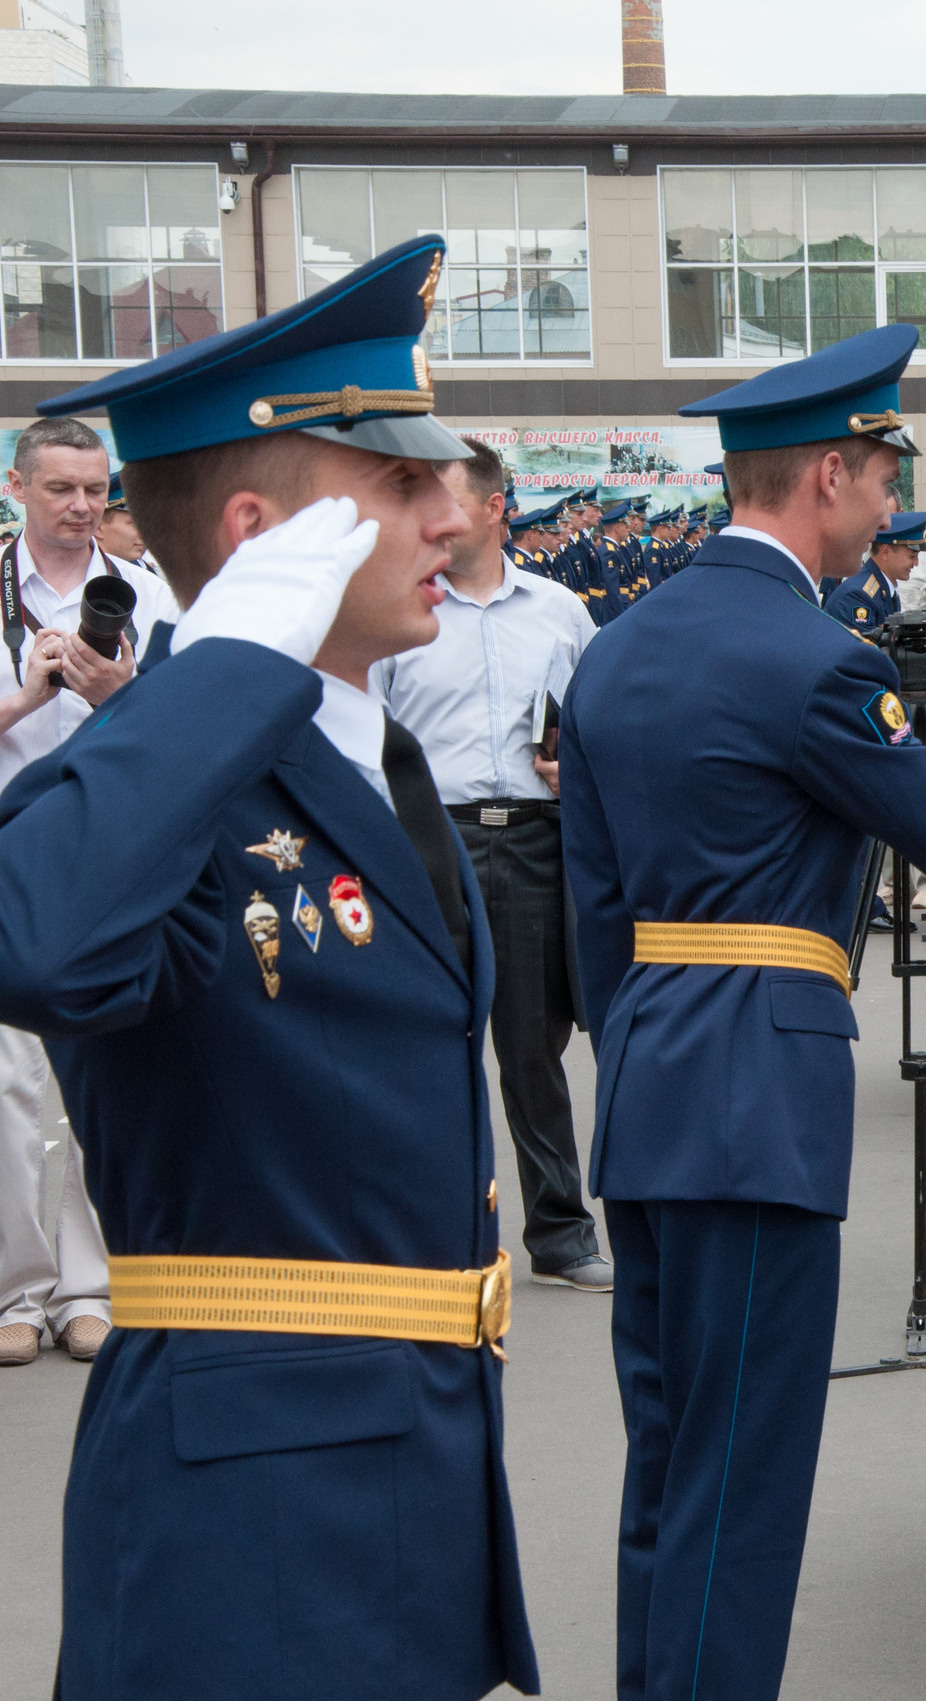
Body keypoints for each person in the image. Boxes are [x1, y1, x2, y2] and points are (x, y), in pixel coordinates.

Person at [561, 321, 926, 1701]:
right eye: (886, 476)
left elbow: (598, 920)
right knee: (743, 1481)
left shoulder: (618, 648)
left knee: (667, 1461)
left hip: (652, 1079)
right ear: (828, 475)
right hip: (761, 1097)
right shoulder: (813, 660)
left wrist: (647, 1036)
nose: (894, 508)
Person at [10, 235, 539, 1699]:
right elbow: (38, 935)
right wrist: (230, 658)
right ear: (260, 538)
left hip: (406, 1476)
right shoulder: (174, 768)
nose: (455, 511)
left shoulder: (378, 757)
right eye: (401, 484)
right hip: (246, 1536)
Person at [374, 438, 610, 1294]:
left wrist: (574, 766)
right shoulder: (402, 609)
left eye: (448, 499)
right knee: (431, 1042)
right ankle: (436, 1235)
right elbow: (369, 737)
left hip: (537, 836)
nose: (432, 518)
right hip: (428, 836)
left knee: (532, 1044)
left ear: (496, 508)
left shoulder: (559, 611)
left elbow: (599, 722)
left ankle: (558, 1229)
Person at [0, 419, 183, 1368]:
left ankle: (90, 1285)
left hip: (114, 854)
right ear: (19, 486)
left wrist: (119, 690)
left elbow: (188, 727)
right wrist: (25, 701)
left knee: (98, 1076)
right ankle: (17, 1291)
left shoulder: (148, 595)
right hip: (11, 850)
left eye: (94, 490)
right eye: (61, 488)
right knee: (11, 1087)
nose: (80, 507)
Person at [821, 508, 926, 638]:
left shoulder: (884, 589)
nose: (916, 563)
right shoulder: (857, 596)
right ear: (885, 552)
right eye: (911, 556)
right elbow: (866, 653)